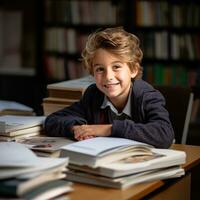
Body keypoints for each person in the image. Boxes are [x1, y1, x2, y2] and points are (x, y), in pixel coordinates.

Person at [44, 27, 174, 148]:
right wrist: (76, 128)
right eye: (100, 69)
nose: (108, 76)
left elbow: (164, 134)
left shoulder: (147, 96)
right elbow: (52, 120)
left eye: (116, 67)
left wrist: (107, 129)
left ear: (133, 69)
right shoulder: (93, 95)